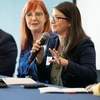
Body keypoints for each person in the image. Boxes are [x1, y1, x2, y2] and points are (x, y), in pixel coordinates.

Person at [33, 1, 97, 87]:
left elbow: (91, 75)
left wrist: (67, 64)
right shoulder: (52, 42)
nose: (52, 21)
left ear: (70, 22)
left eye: (56, 18)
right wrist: (39, 60)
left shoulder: (84, 44)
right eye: (52, 17)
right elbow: (43, 78)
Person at [17, 0, 56, 80]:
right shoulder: (26, 42)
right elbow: (20, 73)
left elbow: (51, 75)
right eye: (29, 15)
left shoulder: (54, 40)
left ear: (45, 18)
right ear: (25, 19)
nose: (34, 18)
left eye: (38, 14)